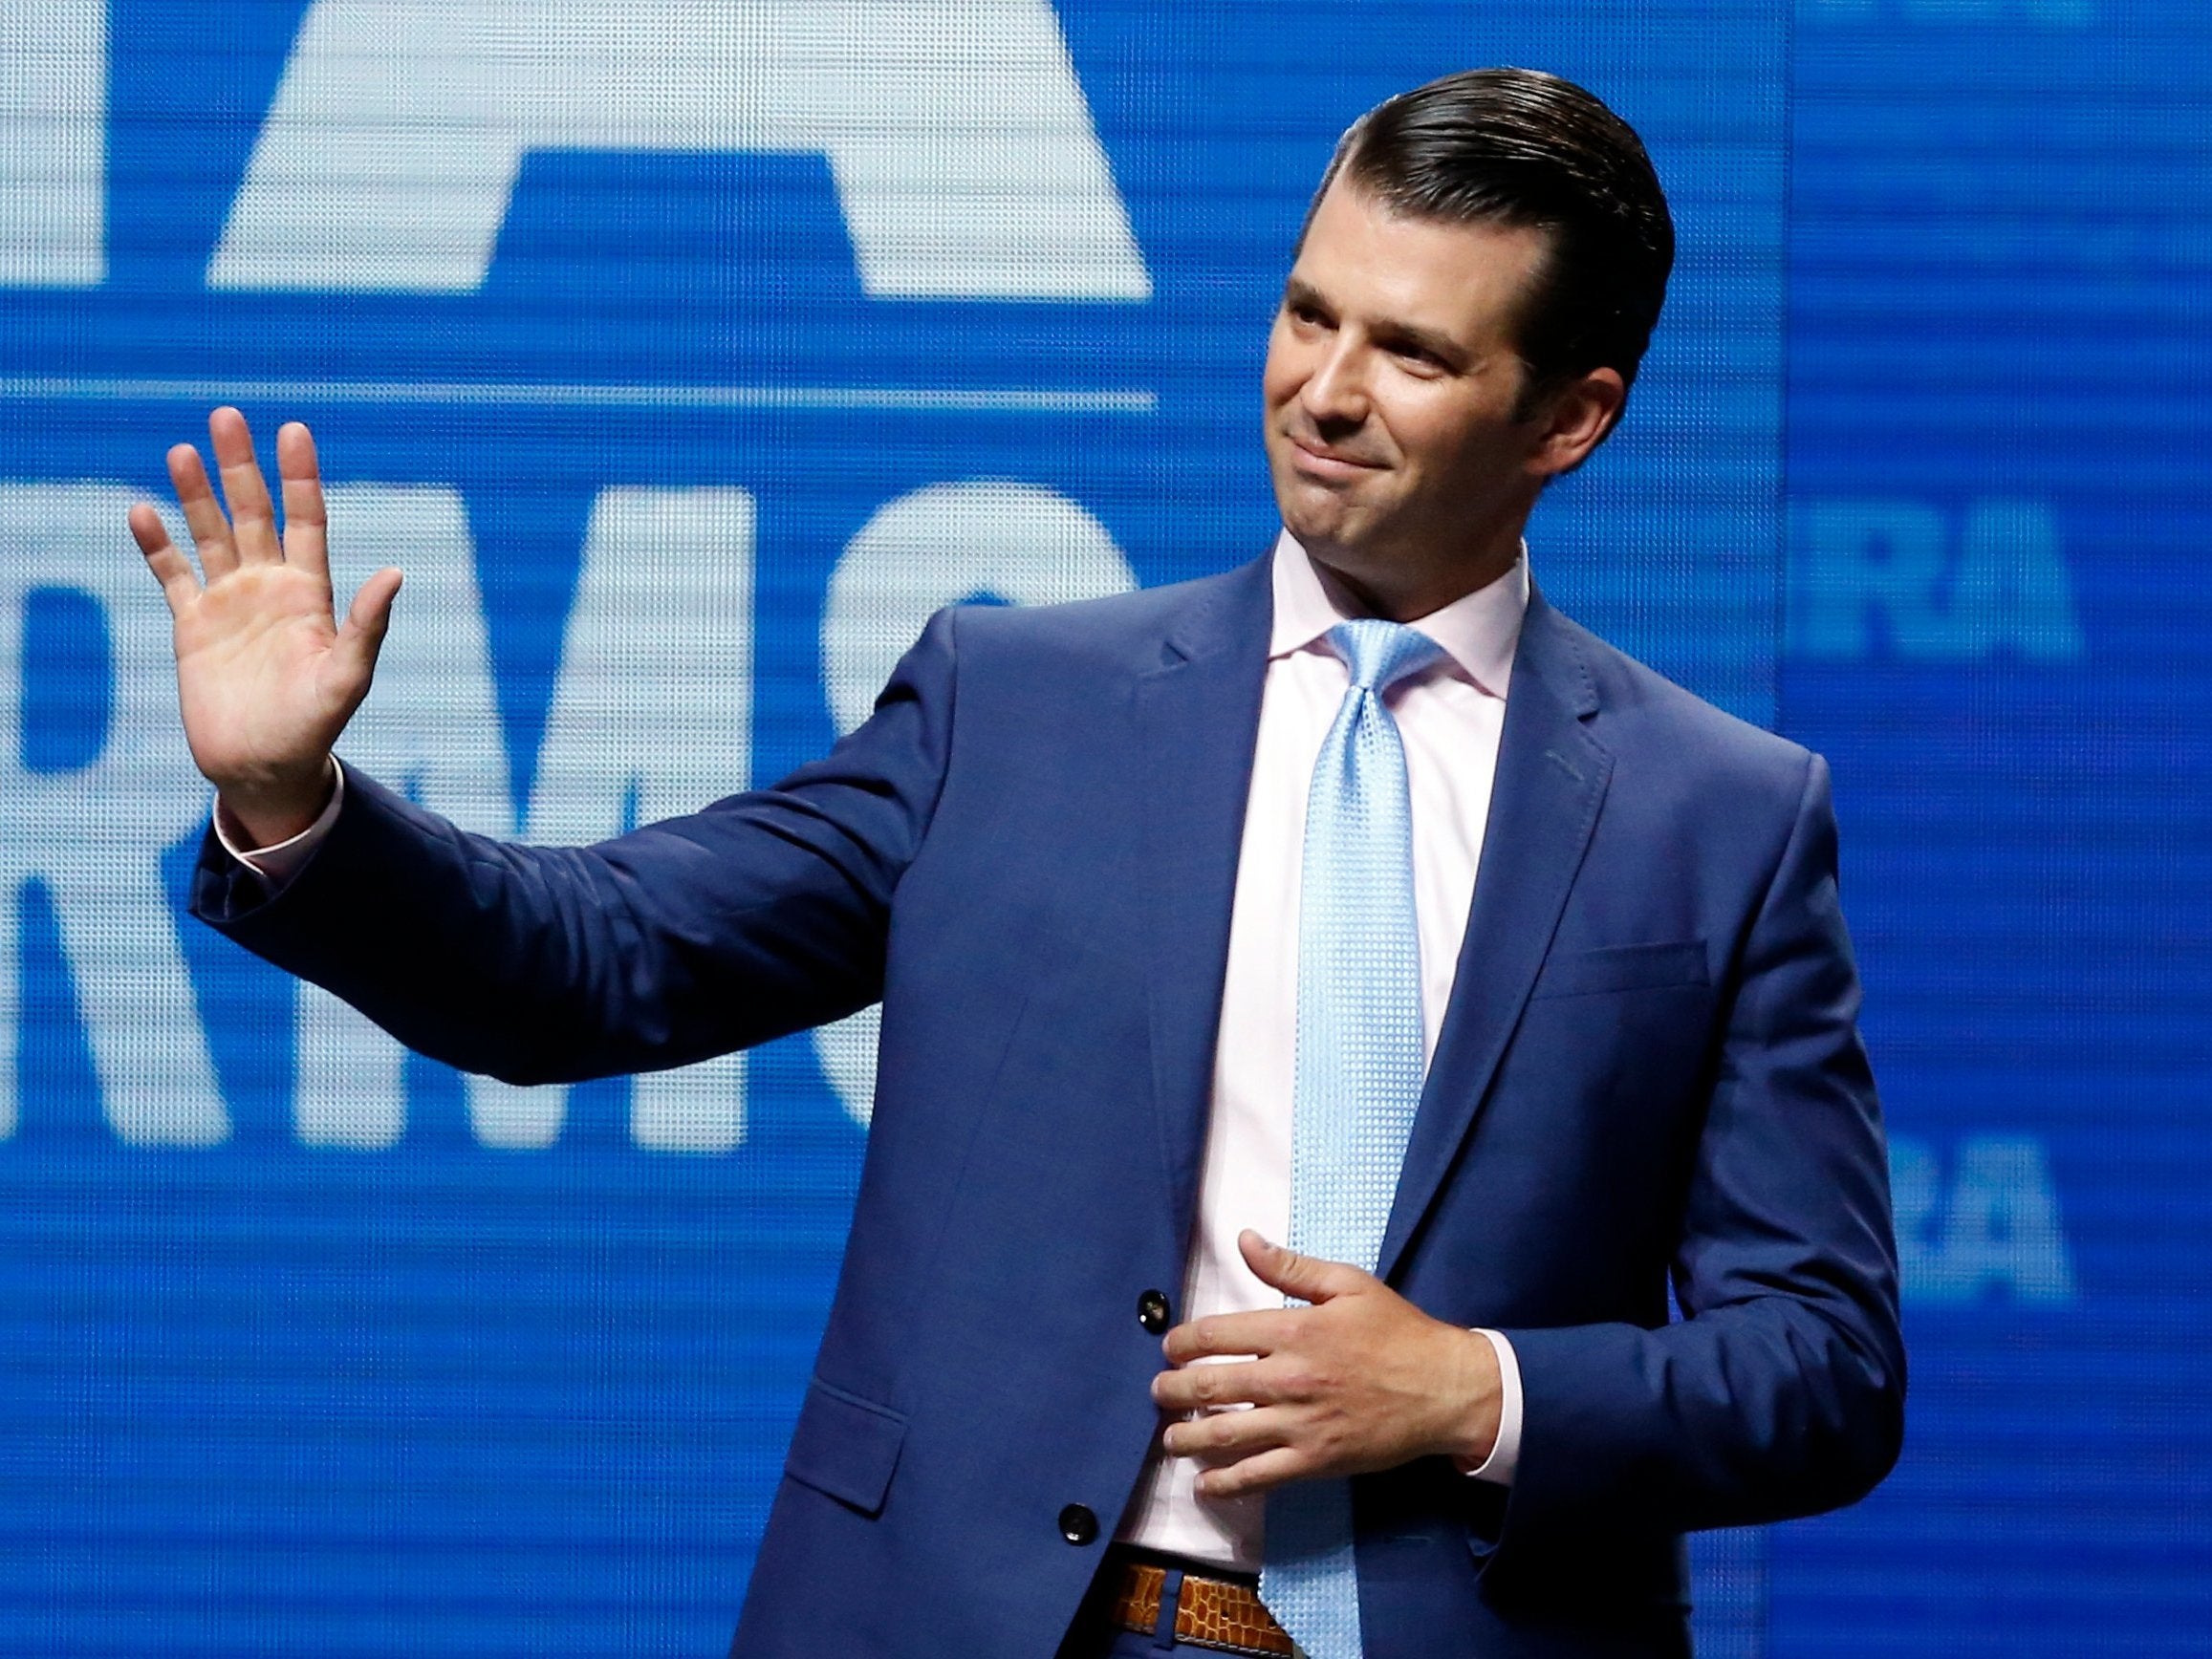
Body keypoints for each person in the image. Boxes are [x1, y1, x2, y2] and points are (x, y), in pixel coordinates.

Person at [130, 67, 1902, 1659]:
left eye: (1415, 355)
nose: (1325, 393)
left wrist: (1469, 1391)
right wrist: (303, 804)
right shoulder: (1015, 704)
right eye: (1306, 314)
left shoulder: (1718, 815)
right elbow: (593, 963)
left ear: (1566, 420)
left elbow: (1822, 1367)